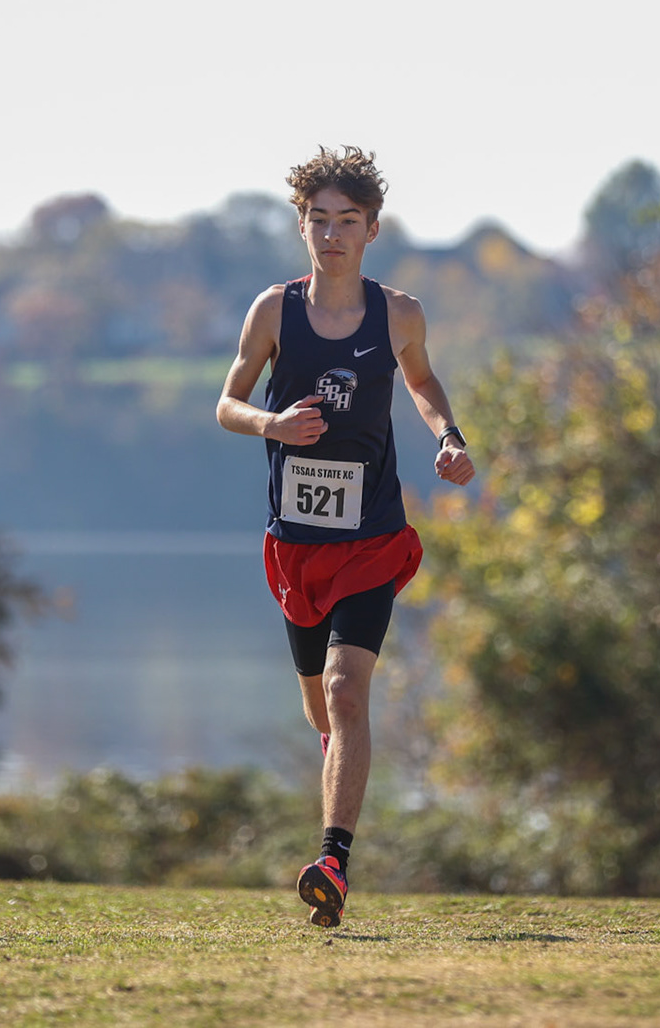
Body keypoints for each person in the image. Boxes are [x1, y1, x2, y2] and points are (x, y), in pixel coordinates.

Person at [215, 146, 474, 928]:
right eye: (318, 221)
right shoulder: (273, 311)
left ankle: (333, 861)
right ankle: (338, 777)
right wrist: (274, 424)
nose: (331, 235)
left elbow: (422, 380)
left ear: (371, 230)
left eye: (347, 222)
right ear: (301, 226)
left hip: (371, 537)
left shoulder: (398, 312)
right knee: (321, 716)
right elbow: (227, 403)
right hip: (295, 546)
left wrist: (448, 435)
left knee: (345, 690)